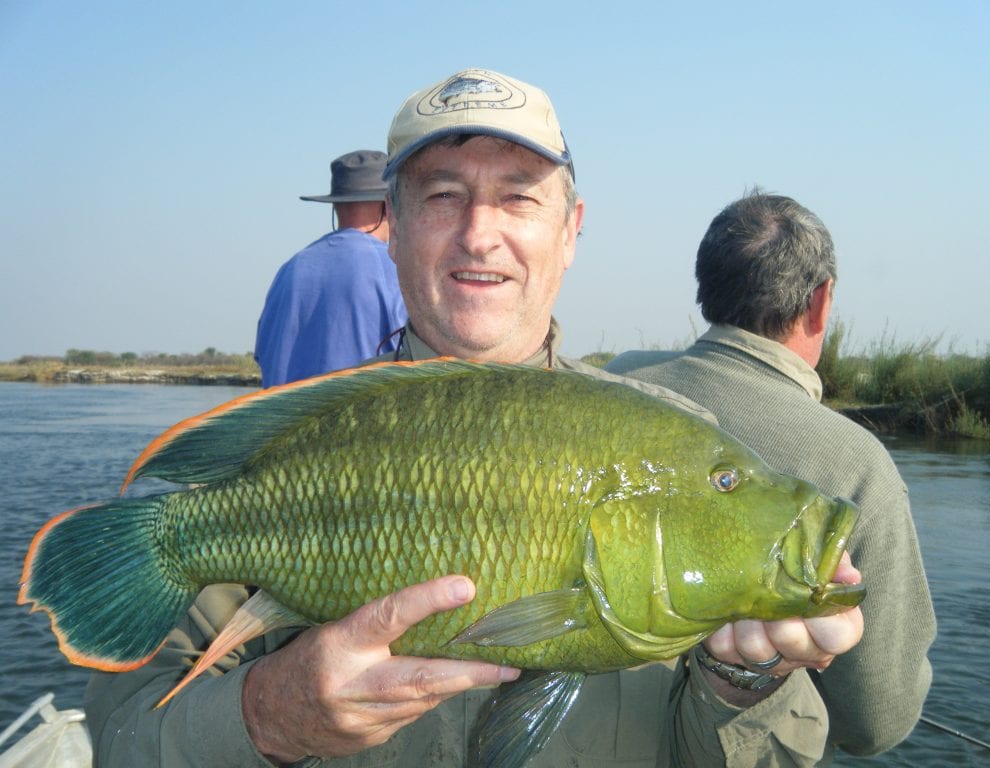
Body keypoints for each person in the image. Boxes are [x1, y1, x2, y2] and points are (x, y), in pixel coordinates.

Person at [84, 71, 864, 767]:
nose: (479, 232)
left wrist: (741, 681)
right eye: (443, 195)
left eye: (520, 194)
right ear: (392, 225)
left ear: (571, 230)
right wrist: (268, 716)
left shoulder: (682, 436)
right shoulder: (299, 452)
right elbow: (120, 740)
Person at [606, 190, 936, 761]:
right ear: (821, 302)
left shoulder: (613, 386)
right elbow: (876, 723)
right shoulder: (858, 465)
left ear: (706, 290)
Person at [254, 150, 408, 387]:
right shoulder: (394, 268)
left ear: (335, 205)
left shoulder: (289, 270)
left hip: (280, 423)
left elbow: (264, 355)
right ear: (389, 205)